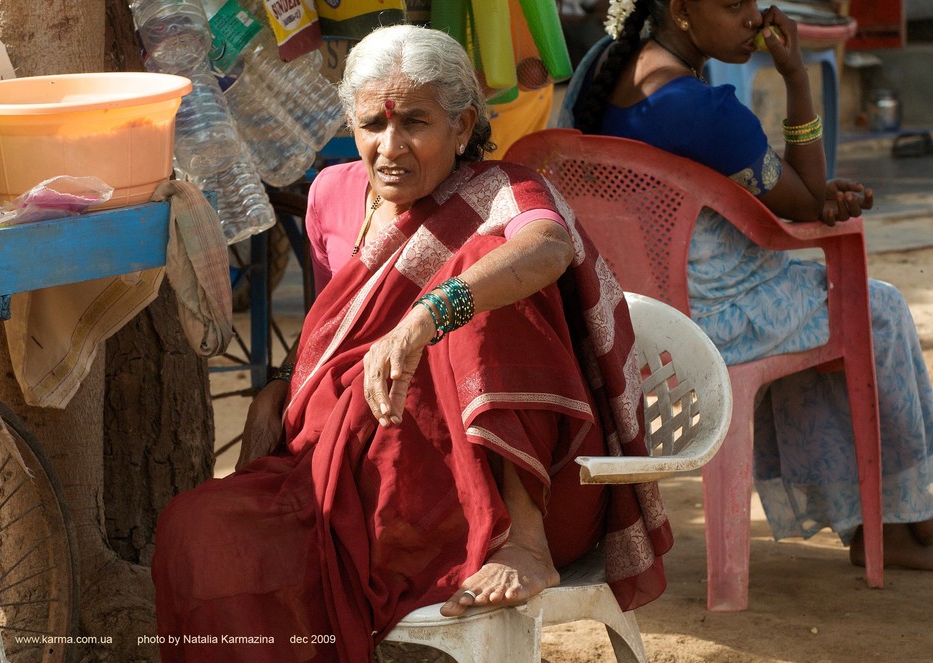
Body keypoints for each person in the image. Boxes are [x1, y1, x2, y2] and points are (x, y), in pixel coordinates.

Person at [152, 24, 673, 663]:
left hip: (523, 482)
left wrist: (428, 314)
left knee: (483, 264)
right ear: (352, 121)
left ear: (463, 126)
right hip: (374, 472)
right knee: (198, 530)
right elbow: (335, 338)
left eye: (416, 124)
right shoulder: (331, 195)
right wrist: (282, 398)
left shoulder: (504, 189)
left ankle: (525, 545)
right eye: (373, 124)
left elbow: (547, 246)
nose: (390, 146)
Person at [563, 0, 933, 570]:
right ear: (680, 11)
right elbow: (806, 201)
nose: (753, 18)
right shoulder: (699, 107)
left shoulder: (605, 68)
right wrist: (796, 75)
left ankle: (885, 517)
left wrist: (806, 190)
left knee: (815, 300)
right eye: (733, 6)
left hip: (630, 319)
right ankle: (913, 511)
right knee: (877, 309)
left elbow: (763, 186)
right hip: (708, 321)